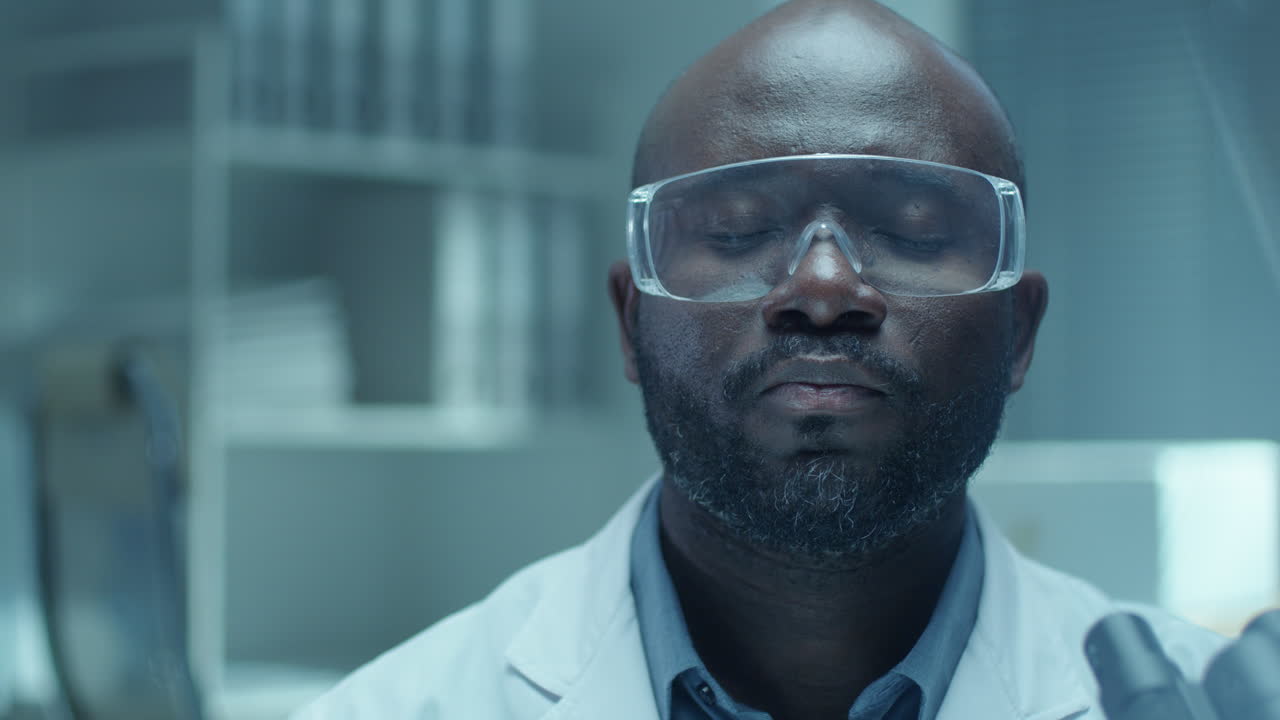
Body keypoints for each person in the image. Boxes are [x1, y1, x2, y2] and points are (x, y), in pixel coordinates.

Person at [295, 1, 1225, 718]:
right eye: (738, 231)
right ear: (630, 324)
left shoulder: (1195, 703)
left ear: (1018, 332)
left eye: (911, 228)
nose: (823, 287)